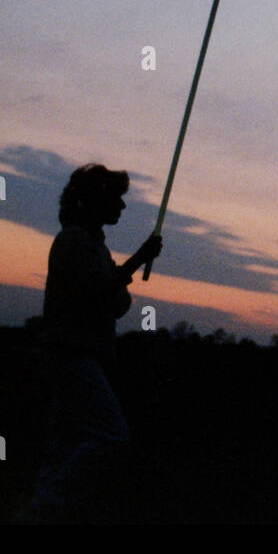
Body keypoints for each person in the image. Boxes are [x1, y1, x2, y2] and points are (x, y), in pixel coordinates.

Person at [30, 164, 161, 521]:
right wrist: (137, 261)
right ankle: (52, 506)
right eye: (115, 199)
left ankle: (41, 511)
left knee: (63, 444)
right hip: (70, 355)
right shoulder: (72, 240)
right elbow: (100, 295)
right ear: (93, 200)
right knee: (111, 437)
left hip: (79, 355)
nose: (121, 207)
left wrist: (124, 272)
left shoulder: (94, 247)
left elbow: (116, 304)